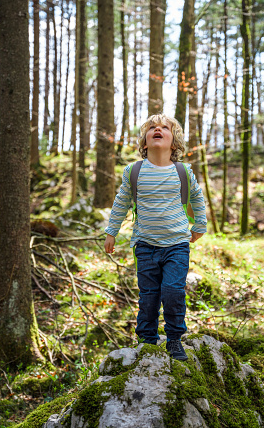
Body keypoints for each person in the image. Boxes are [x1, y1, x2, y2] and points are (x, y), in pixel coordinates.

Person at [104, 114, 207, 361]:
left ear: (174, 143)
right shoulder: (134, 171)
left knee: (173, 292)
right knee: (148, 295)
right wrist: (111, 231)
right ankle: (147, 340)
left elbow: (197, 198)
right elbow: (121, 203)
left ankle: (174, 340)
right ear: (145, 141)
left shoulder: (182, 171)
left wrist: (200, 224)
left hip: (177, 245)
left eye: (164, 128)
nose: (157, 129)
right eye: (152, 128)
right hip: (145, 245)